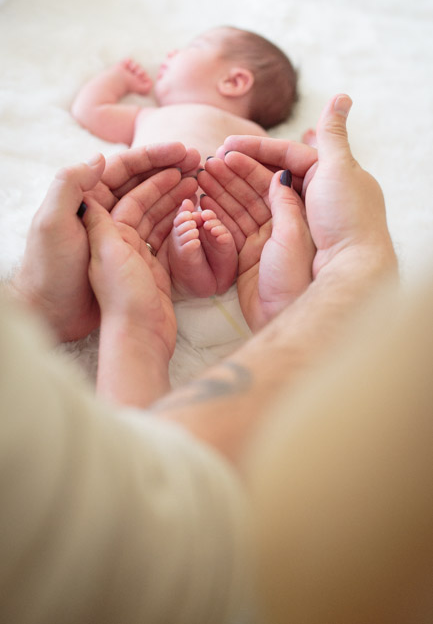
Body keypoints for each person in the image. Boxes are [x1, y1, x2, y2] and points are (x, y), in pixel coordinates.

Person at [5, 94, 427, 624]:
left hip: (184, 241)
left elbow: (137, 514)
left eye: (187, 56)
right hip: (214, 237)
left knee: (209, 251)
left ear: (237, 78)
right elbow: (142, 527)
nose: (171, 62)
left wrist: (53, 306)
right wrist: (355, 262)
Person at [71, 25, 299, 299]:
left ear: (234, 81)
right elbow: (90, 111)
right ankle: (198, 269)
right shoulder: (148, 115)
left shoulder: (254, 135)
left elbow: (289, 175)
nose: (172, 53)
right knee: (148, 237)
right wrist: (117, 79)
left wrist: (312, 149)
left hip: (222, 216)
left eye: (193, 47)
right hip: (143, 218)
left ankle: (206, 269)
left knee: (226, 236)